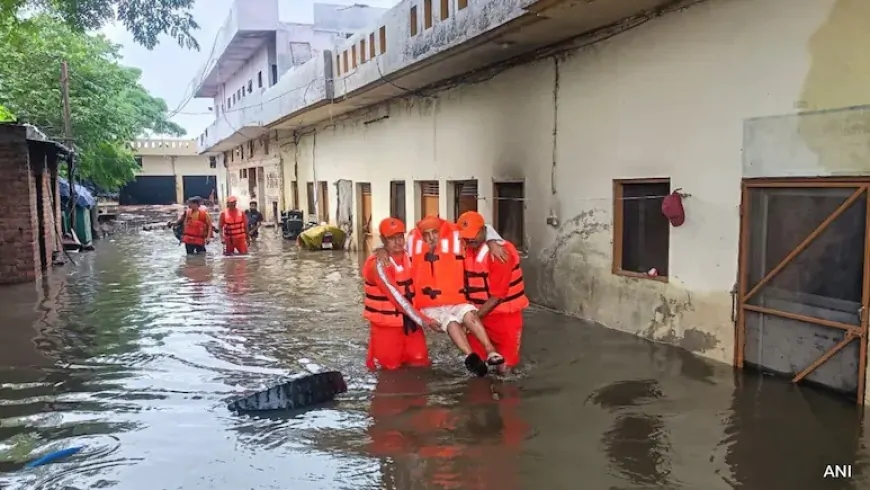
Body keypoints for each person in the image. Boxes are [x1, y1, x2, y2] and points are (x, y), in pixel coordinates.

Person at [410, 215, 504, 376]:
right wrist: (380, 249)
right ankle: (470, 357)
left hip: (455, 299)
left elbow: (481, 228)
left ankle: (491, 351)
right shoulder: (411, 241)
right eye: (427, 234)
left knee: (469, 313)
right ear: (421, 234)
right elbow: (391, 246)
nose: (431, 238)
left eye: (435, 232)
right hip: (428, 305)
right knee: (451, 322)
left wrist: (493, 241)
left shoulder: (456, 234)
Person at [456, 211, 529, 374]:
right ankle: (480, 397)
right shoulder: (464, 247)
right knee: (477, 367)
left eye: (473, 234)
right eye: (466, 236)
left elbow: (498, 296)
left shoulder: (501, 253)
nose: (469, 239)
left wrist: (473, 319)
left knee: (505, 369)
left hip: (505, 317)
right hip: (478, 315)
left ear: (483, 230)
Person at [362, 218, 439, 370]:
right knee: (389, 369)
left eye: (400, 237)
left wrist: (491, 239)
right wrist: (426, 321)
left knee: (420, 362)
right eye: (391, 238)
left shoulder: (411, 256)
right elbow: (397, 298)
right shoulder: (377, 264)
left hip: (412, 324)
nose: (397, 242)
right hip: (387, 327)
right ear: (383, 240)